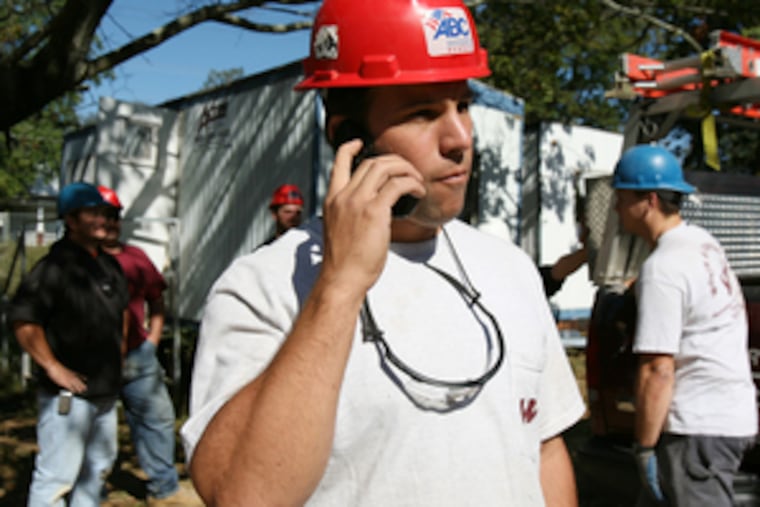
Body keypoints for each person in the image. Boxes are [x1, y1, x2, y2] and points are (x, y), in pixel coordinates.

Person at [181, 0, 586, 505]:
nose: (460, 139)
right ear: (349, 138)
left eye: (462, 105)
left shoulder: (510, 269)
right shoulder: (262, 287)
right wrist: (339, 288)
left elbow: (545, 451)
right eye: (422, 113)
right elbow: (244, 496)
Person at [611, 145, 757, 506]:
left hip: (697, 427)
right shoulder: (703, 244)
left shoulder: (664, 267)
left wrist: (644, 447)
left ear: (650, 201)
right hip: (727, 417)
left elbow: (657, 369)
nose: (616, 208)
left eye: (622, 197)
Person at [9, 182, 129, 506]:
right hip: (68, 398)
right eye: (94, 213)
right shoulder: (53, 269)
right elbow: (24, 322)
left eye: (106, 213)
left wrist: (120, 352)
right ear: (71, 220)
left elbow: (122, 311)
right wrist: (53, 367)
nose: (104, 220)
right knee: (56, 479)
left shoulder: (109, 265)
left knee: (97, 472)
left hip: (105, 391)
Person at [97, 186, 202, 506]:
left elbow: (157, 300)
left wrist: (153, 339)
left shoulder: (136, 257)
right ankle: (92, 487)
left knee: (158, 419)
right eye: (103, 216)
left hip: (138, 357)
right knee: (96, 429)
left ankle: (163, 486)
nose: (110, 223)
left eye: (114, 217)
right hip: (94, 361)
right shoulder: (77, 262)